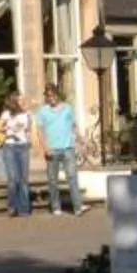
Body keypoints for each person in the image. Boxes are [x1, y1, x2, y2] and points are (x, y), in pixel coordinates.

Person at [36, 86, 80, 215]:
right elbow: (40, 131)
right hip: (52, 149)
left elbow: (74, 126)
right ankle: (55, 206)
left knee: (72, 177)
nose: (52, 98)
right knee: (52, 180)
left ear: (58, 95)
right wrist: (44, 148)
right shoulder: (43, 111)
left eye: (53, 95)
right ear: (46, 98)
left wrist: (82, 141)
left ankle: (77, 206)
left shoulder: (68, 108)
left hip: (68, 148)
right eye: (49, 96)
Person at [0, 93, 34, 217]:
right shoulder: (6, 114)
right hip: (9, 147)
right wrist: (8, 127)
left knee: (24, 179)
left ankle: (24, 208)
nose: (23, 101)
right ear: (14, 101)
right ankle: (12, 206)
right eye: (20, 100)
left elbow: (28, 130)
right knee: (13, 179)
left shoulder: (27, 114)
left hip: (23, 147)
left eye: (23, 100)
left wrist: (30, 141)